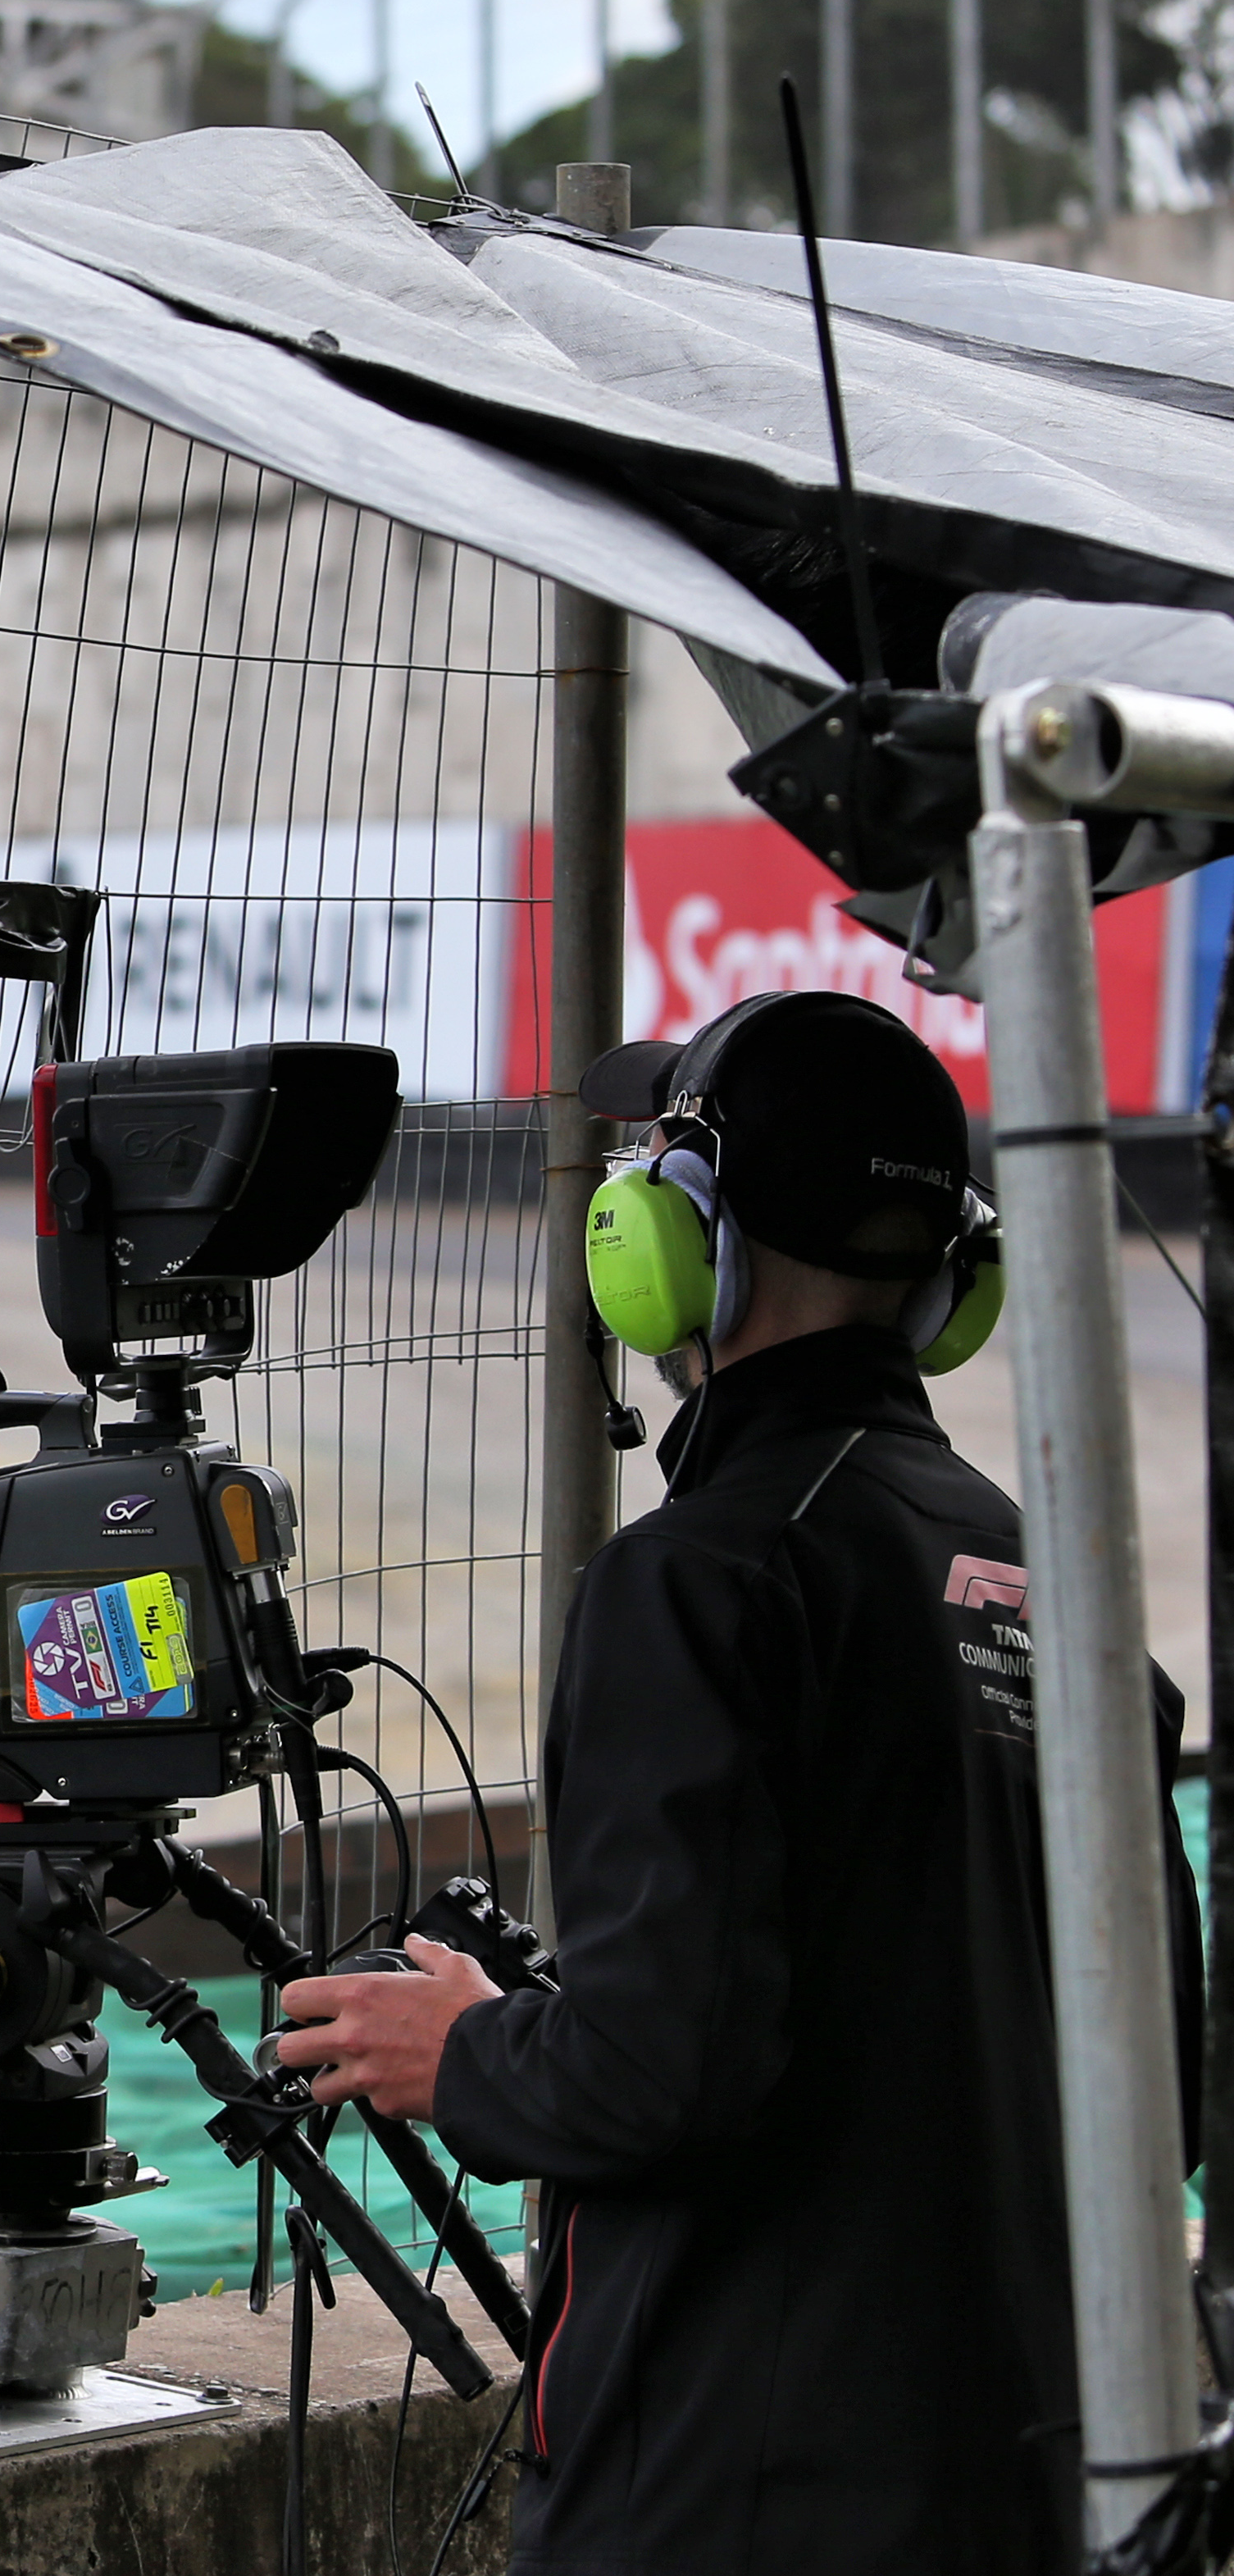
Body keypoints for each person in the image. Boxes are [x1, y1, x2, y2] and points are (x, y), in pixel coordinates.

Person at [274, 987, 1199, 2574]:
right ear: (947, 1281)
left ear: (679, 1236)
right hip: (1041, 2485)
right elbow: (1160, 2078)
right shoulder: (1066, 1582)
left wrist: (468, 2052)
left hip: (740, 2498)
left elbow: (660, 2070)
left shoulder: (695, 1581)